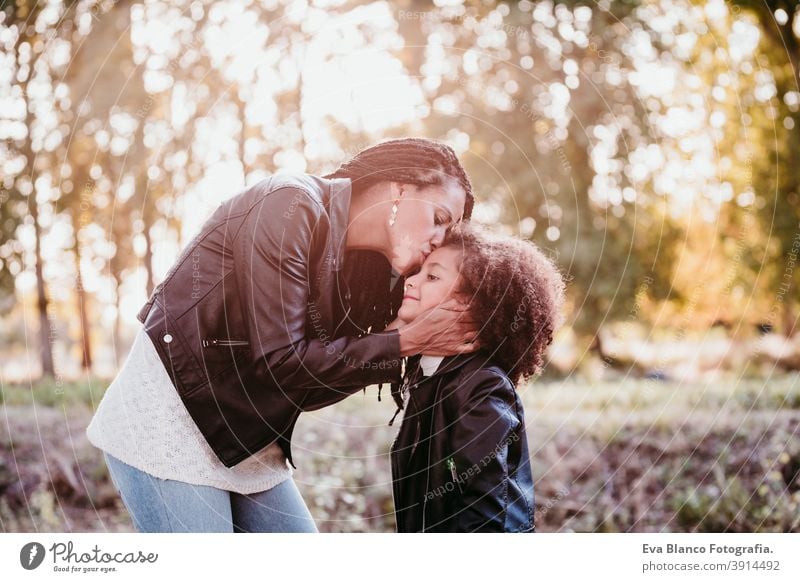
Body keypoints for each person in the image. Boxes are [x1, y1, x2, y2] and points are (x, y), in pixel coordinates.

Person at [86, 138, 478, 532]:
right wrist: (403, 342)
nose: (439, 239)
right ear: (400, 189)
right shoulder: (288, 206)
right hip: (169, 421)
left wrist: (395, 338)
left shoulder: (367, 272)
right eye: (440, 218)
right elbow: (280, 363)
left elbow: (307, 386)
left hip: (246, 440)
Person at [387, 223, 566, 532]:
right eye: (418, 272)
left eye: (432, 276)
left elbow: (485, 513)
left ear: (469, 304)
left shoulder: (482, 387)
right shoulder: (425, 374)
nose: (411, 281)